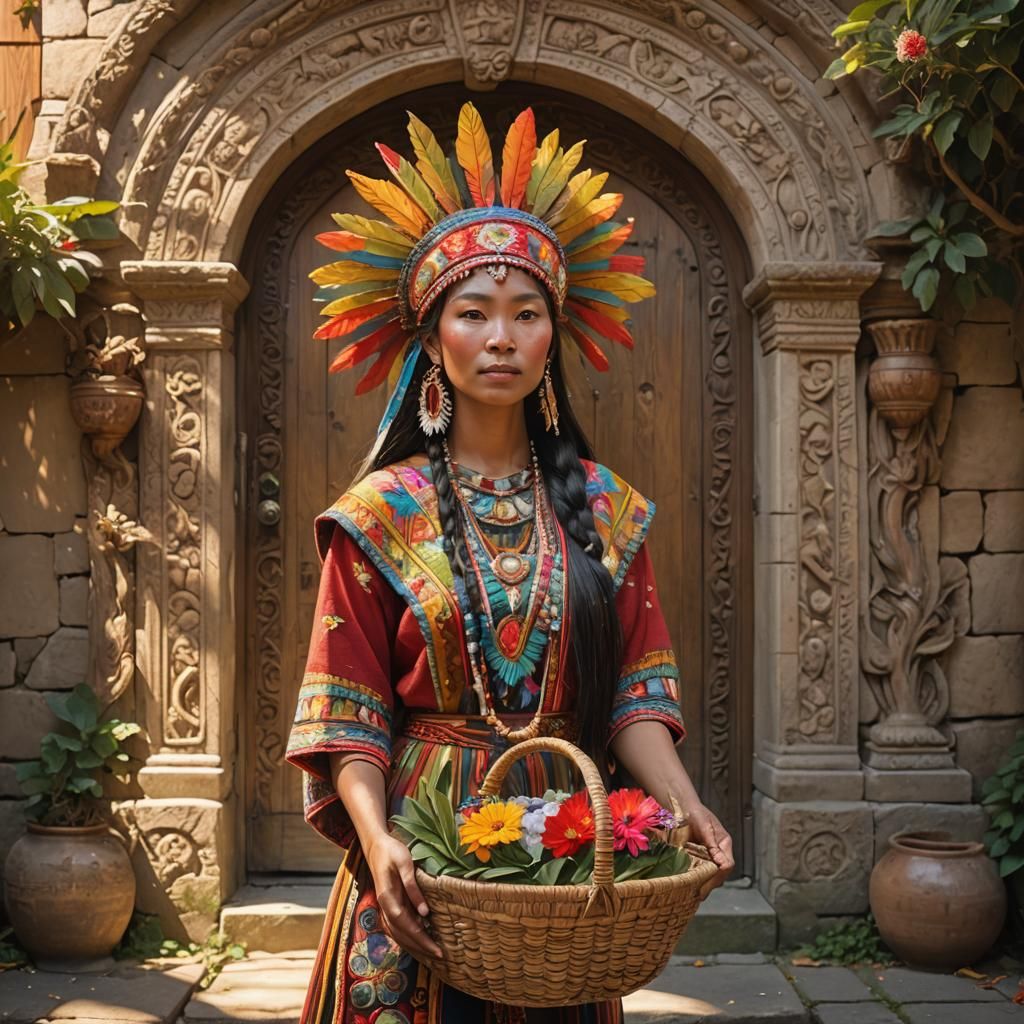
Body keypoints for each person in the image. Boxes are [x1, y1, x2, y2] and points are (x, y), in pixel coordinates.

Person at [286, 102, 735, 1024]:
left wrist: (687, 807)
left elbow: (635, 701)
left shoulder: (607, 511)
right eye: (475, 312)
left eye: (526, 315)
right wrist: (378, 847)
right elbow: (348, 714)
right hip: (421, 839)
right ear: (432, 338)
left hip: (569, 843)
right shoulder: (380, 516)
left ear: (552, 339)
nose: (501, 337)